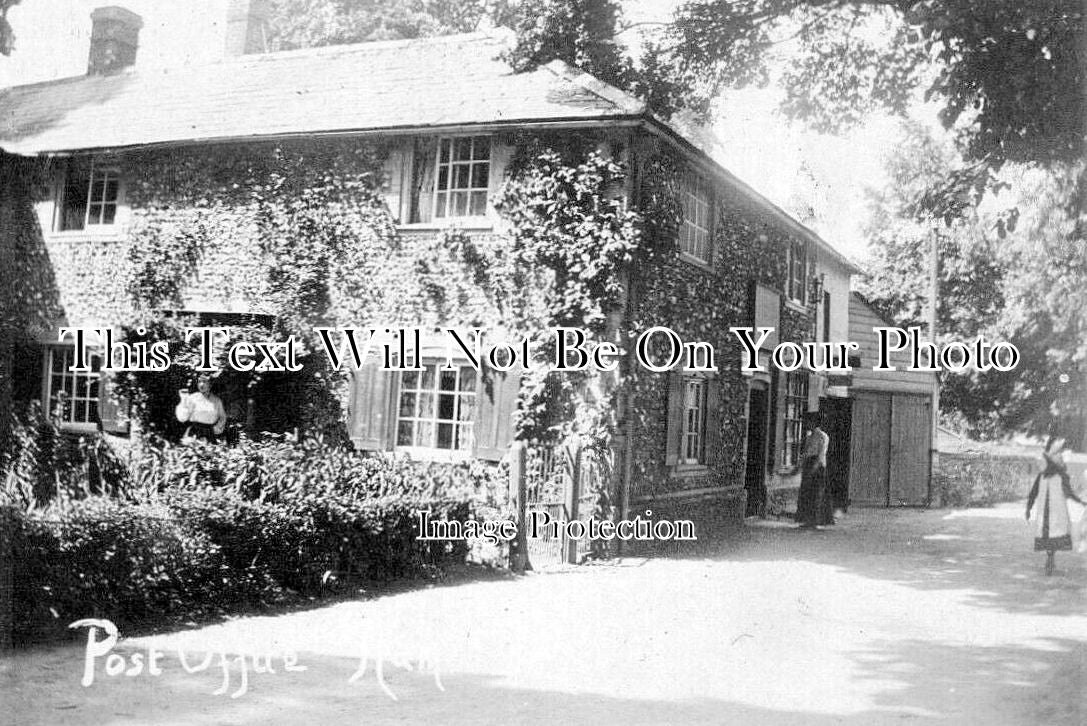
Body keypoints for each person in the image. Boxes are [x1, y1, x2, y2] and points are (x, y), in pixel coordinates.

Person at [1026, 436, 1084, 575]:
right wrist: (1081, 502)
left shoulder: (1046, 476)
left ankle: (1050, 559)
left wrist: (1028, 508)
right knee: (1053, 534)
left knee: (1049, 535)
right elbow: (1069, 493)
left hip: (1051, 512)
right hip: (1054, 512)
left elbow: (1034, 493)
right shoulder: (1053, 476)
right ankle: (1050, 559)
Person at [795, 411, 833, 529]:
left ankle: (817, 521)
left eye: (808, 422)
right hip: (808, 465)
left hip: (818, 467)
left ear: (814, 422)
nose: (806, 424)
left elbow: (821, 453)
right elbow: (805, 454)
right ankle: (807, 520)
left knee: (817, 494)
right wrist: (799, 466)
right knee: (807, 494)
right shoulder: (809, 437)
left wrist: (815, 468)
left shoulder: (823, 436)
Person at [175, 374, 227, 443]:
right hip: (194, 433)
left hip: (209, 433)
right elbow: (182, 418)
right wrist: (183, 400)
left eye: (205, 382)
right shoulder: (192, 398)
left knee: (210, 449)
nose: (201, 385)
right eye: (199, 382)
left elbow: (222, 417)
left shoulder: (216, 401)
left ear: (210, 384)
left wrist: (216, 429)